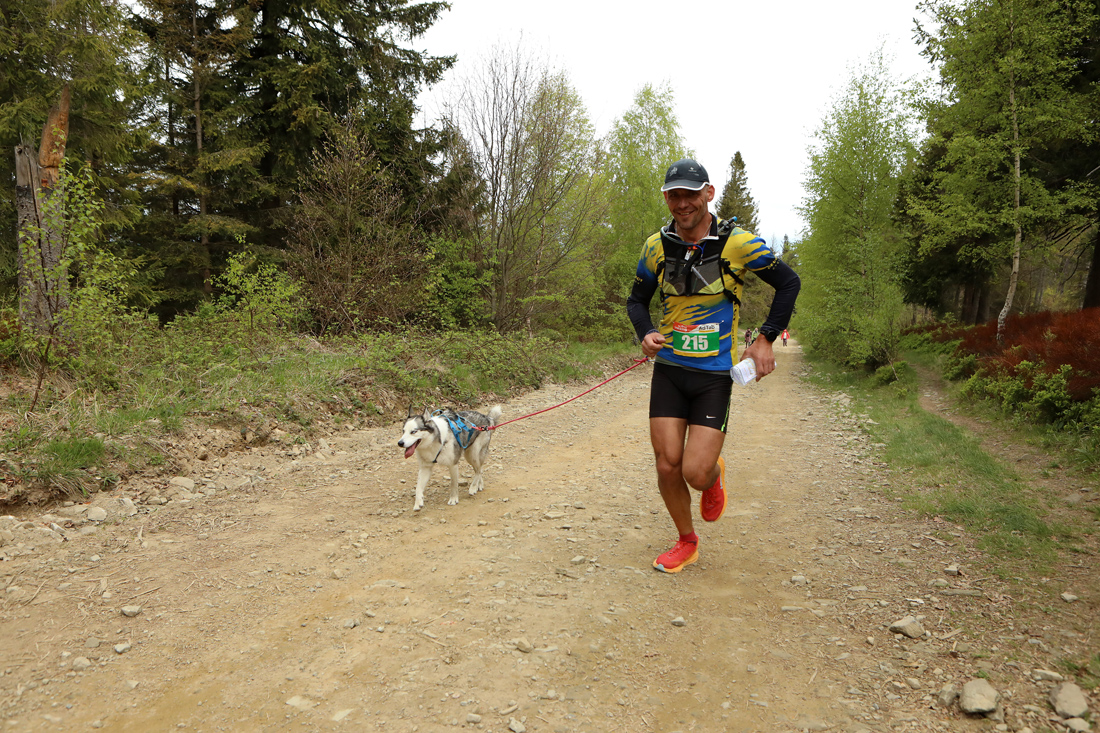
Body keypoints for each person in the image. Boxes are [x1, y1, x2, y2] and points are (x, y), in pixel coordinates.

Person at [626, 158, 801, 573]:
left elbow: (788, 282)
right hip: (670, 369)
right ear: (666, 198)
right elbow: (636, 300)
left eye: (690, 194)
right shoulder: (655, 246)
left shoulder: (737, 242)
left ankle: (712, 474)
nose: (682, 203)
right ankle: (687, 541)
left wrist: (765, 338)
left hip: (713, 377)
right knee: (666, 463)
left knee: (695, 472)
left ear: (708, 193)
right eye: (674, 196)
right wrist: (645, 332)